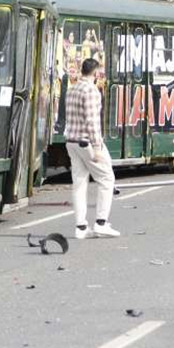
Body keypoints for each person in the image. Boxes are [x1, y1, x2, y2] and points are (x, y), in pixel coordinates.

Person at [63, 58, 119, 239]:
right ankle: (101, 223)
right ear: (95, 73)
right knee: (106, 179)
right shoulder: (91, 91)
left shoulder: (72, 90)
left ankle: (80, 227)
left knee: (79, 184)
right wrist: (96, 148)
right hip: (86, 143)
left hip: (71, 141)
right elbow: (92, 122)